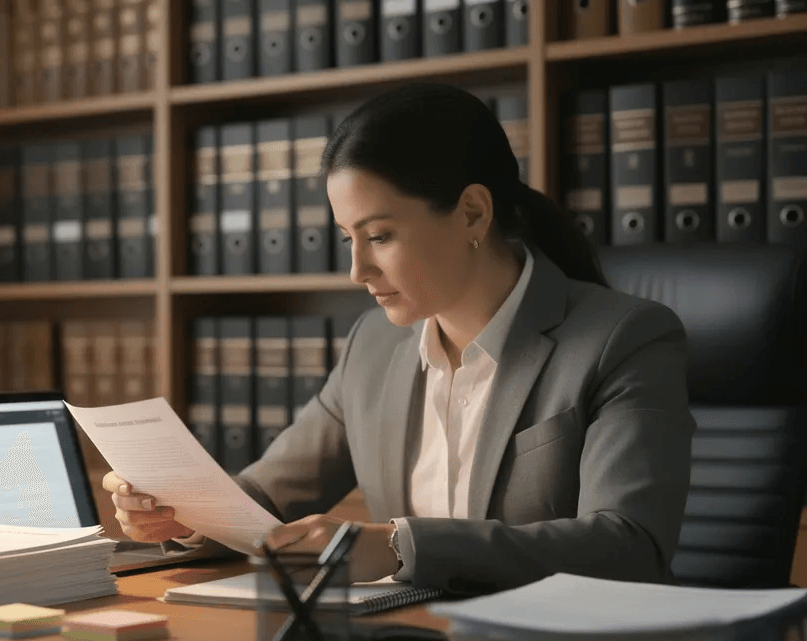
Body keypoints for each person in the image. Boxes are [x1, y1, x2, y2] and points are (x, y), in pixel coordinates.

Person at [102, 83, 696, 594]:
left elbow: (631, 545)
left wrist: (399, 546)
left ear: (471, 213)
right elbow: (266, 494)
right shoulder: (375, 347)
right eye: (346, 239)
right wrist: (184, 517)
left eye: (379, 235)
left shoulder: (624, 338)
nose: (357, 270)